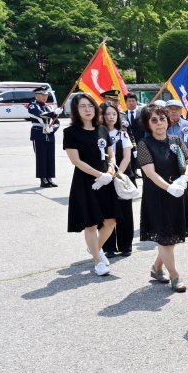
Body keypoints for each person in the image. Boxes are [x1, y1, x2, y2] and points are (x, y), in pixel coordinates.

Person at [136, 104, 188, 292]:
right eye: (154, 120)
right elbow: (150, 173)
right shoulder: (144, 144)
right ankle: (175, 276)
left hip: (177, 193)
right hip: (157, 196)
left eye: (162, 118)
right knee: (165, 238)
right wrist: (170, 188)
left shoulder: (176, 139)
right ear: (147, 124)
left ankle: (156, 267)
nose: (159, 123)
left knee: (173, 237)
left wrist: (184, 179)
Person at [63, 93, 121, 276]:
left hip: (106, 179)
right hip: (86, 182)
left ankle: (95, 248)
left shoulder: (102, 129)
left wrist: (110, 172)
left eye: (90, 106)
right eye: (82, 106)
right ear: (76, 110)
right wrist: (99, 175)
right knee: (91, 225)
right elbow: (76, 161)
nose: (87, 110)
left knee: (111, 221)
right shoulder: (71, 132)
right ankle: (98, 261)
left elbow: (111, 155)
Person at [100, 102, 135, 258]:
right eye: (107, 114)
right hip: (104, 177)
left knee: (125, 213)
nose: (111, 117)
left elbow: (127, 156)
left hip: (120, 177)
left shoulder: (122, 134)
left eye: (114, 114)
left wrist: (117, 174)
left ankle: (125, 245)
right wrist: (108, 174)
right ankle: (108, 247)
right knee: (106, 214)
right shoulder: (98, 133)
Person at [28, 86, 61, 187]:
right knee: (41, 157)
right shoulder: (32, 105)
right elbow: (40, 114)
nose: (45, 96)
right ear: (36, 95)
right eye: (42, 94)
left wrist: (53, 129)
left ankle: (49, 178)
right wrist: (54, 113)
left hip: (49, 135)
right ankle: (43, 180)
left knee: (50, 157)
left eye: (46, 94)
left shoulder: (50, 107)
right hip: (38, 134)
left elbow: (57, 122)